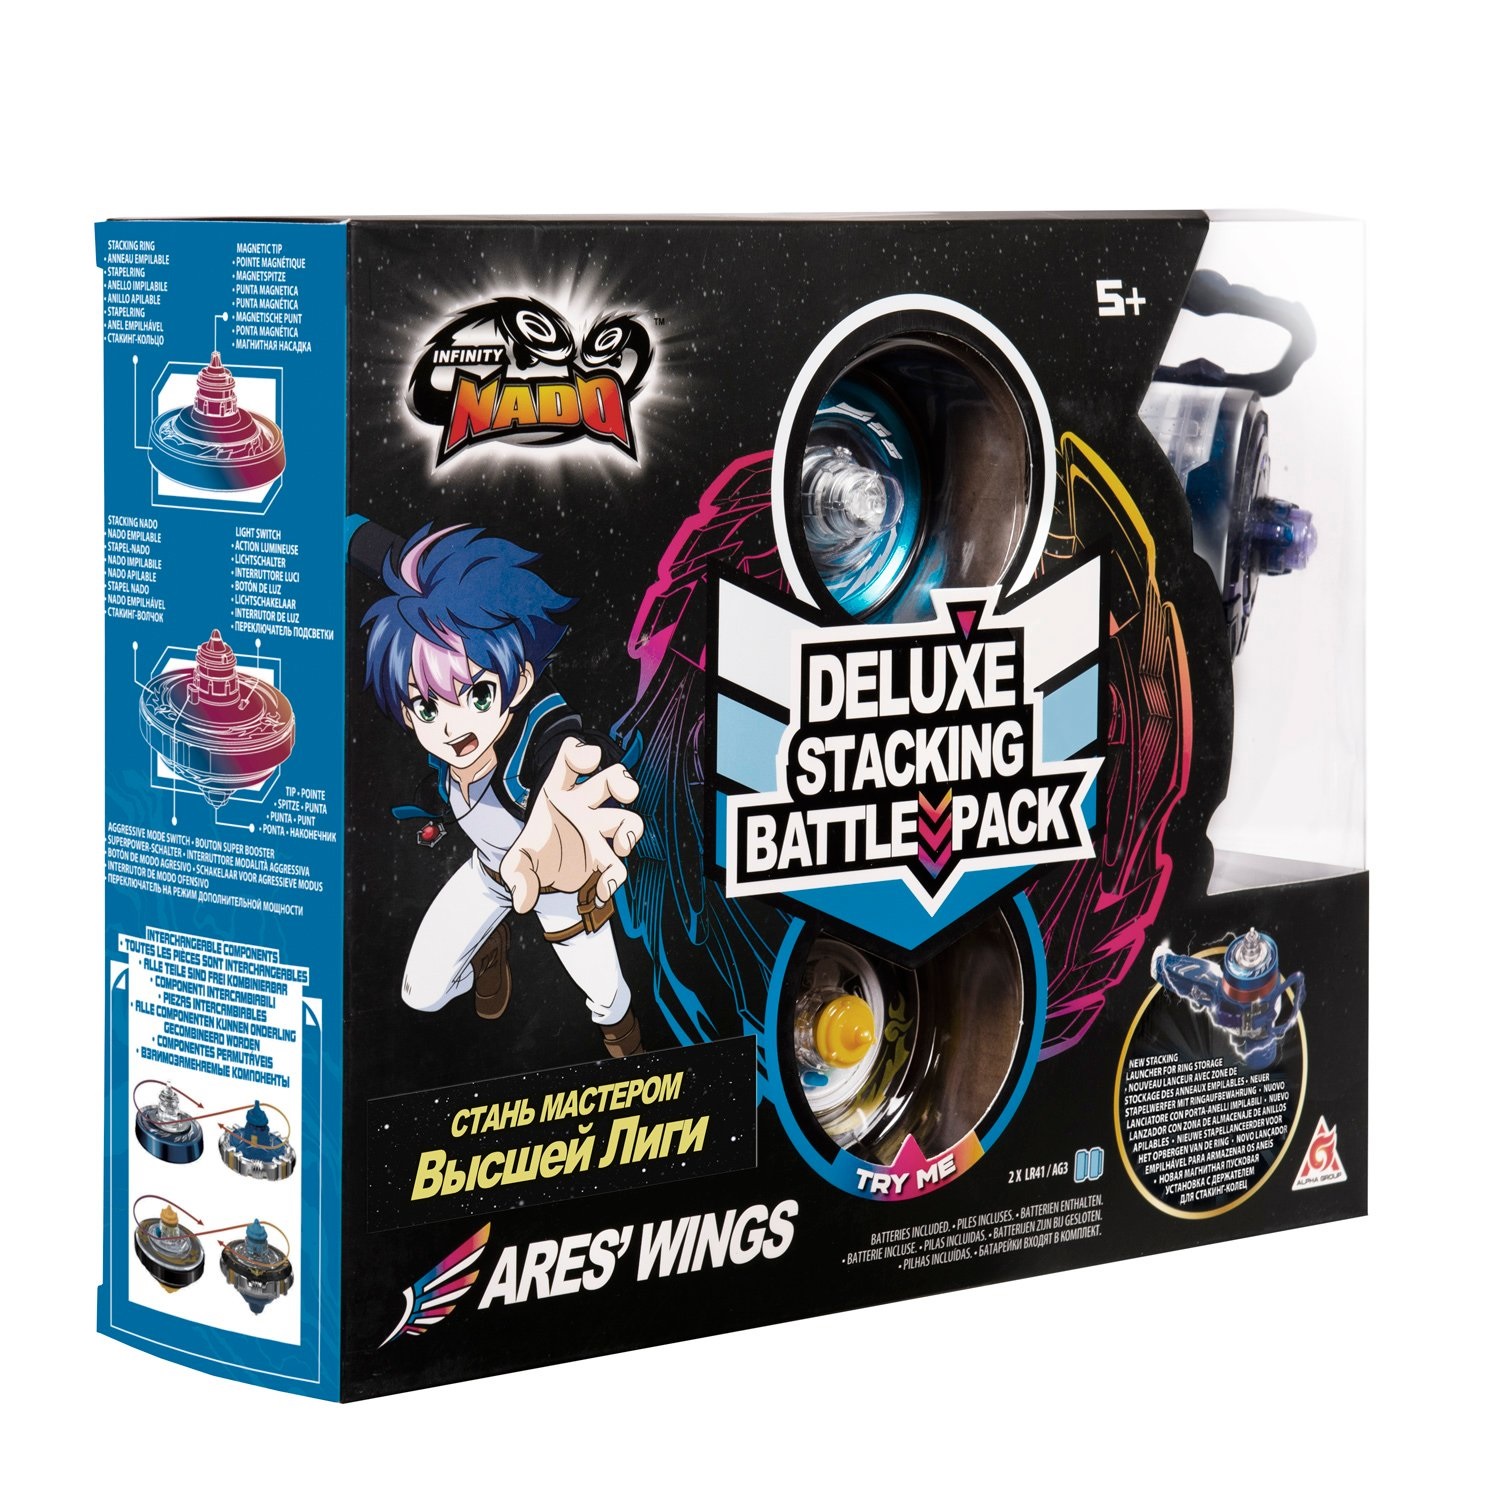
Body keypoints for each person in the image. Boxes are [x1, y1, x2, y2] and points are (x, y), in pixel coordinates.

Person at [362, 522, 646, 1057]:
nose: (453, 725)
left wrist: (577, 795)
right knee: (420, 993)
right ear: (407, 711)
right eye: (427, 707)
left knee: (609, 999)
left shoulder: (539, 733)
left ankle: (626, 1039)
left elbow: (572, 752)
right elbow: (399, 565)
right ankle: (486, 949)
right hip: (491, 876)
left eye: (478, 694)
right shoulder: (449, 744)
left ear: (519, 682)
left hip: (562, 889)